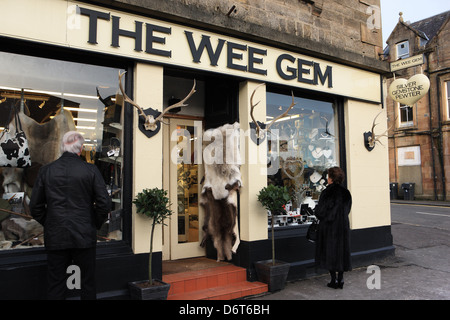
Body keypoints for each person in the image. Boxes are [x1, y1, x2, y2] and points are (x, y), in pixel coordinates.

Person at [30, 131, 111, 300]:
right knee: (88, 283)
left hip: (56, 235)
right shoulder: (90, 169)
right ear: (80, 149)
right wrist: (93, 223)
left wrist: (51, 222)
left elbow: (35, 207)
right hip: (84, 234)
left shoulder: (46, 171)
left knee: (55, 284)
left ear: (62, 148)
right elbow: (104, 204)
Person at [314, 166, 352, 289]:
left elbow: (321, 212)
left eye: (328, 176)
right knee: (341, 251)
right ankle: (340, 279)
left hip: (329, 227)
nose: (327, 178)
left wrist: (317, 212)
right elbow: (347, 210)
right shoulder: (346, 192)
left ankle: (333, 280)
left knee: (329, 252)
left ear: (331, 178)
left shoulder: (327, 192)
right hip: (343, 226)